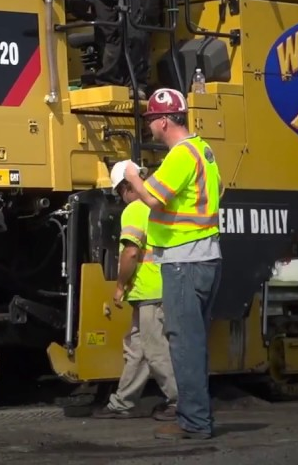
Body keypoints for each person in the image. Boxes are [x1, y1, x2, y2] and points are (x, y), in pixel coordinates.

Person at [119, 87, 222, 441]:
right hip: (204, 259)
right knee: (193, 342)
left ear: (163, 121)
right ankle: (196, 417)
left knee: (184, 344)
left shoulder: (180, 155)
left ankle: (194, 422)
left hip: (184, 264)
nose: (149, 128)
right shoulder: (202, 150)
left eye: (150, 121)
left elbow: (151, 198)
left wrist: (132, 175)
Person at [91, 160, 178, 421]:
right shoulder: (158, 205)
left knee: (155, 350)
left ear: (128, 186)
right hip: (154, 290)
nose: (121, 197)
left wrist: (119, 285)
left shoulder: (135, 209)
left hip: (150, 290)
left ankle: (181, 402)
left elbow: (131, 251)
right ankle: (122, 403)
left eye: (119, 191)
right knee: (137, 350)